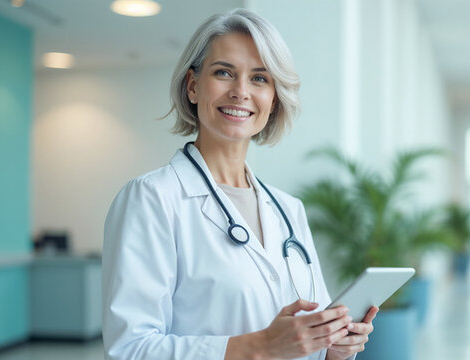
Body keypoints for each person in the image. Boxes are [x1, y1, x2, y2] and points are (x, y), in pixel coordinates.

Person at [102, 9, 376, 360]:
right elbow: (130, 349)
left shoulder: (289, 210)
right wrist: (258, 347)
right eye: (224, 73)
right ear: (192, 86)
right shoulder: (152, 199)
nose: (241, 92)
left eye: (260, 79)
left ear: (273, 98)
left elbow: (306, 337)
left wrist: (332, 348)